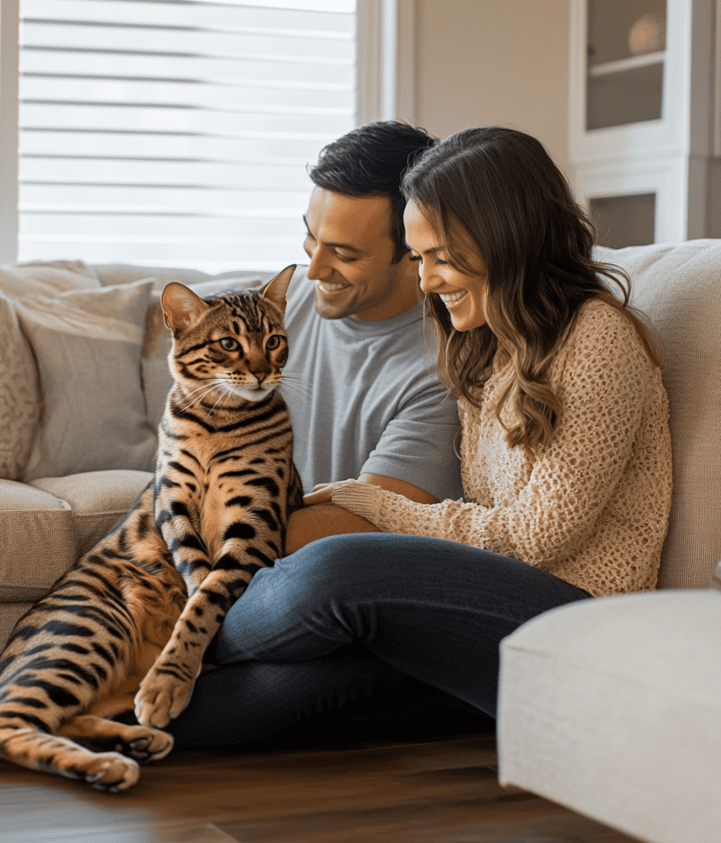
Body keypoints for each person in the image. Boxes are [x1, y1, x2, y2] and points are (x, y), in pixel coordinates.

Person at [156, 126, 672, 748]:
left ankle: (174, 631)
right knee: (256, 704)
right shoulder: (485, 345)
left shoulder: (596, 341)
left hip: (580, 614)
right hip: (481, 610)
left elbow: (536, 535)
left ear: (505, 241)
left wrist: (379, 507)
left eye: (442, 258)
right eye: (420, 257)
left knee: (334, 570)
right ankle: (83, 706)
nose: (425, 282)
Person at [281, 121, 463, 552]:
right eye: (311, 236)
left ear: (415, 251)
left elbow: (366, 526)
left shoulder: (443, 369)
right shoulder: (282, 305)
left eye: (343, 254)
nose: (314, 270)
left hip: (319, 572)